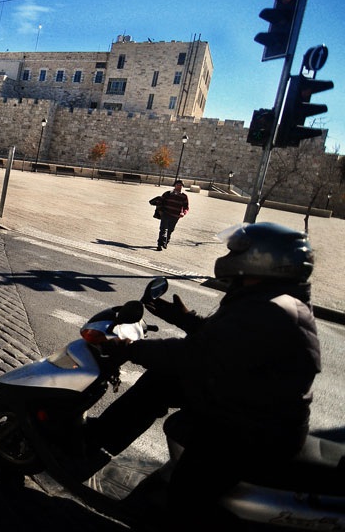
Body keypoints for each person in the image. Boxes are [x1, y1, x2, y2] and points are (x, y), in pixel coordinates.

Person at [87, 222, 320, 526]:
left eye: (237, 251)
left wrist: (129, 350)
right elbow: (231, 346)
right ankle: (99, 441)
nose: (229, 255)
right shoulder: (273, 299)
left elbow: (193, 357)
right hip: (253, 405)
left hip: (255, 431)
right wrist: (187, 320)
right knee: (163, 381)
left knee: (183, 501)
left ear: (264, 260)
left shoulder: (271, 309)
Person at [154, 180, 189, 250]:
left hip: (175, 216)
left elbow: (186, 207)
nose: (179, 186)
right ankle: (160, 244)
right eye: (178, 185)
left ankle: (166, 242)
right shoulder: (167, 194)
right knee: (163, 229)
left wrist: (183, 213)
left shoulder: (184, 196)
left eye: (181, 185)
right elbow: (160, 202)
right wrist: (160, 211)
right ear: (175, 185)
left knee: (170, 230)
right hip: (165, 214)